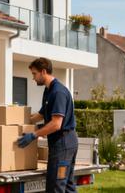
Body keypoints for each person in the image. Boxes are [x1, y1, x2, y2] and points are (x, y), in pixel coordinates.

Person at [16, 57, 79, 193]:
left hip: (63, 144)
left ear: (43, 71)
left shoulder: (58, 92)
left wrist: (33, 135)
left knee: (56, 187)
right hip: (63, 142)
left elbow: (56, 124)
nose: (33, 78)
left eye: (34, 74)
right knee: (67, 187)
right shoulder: (48, 90)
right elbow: (42, 115)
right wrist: (21, 121)